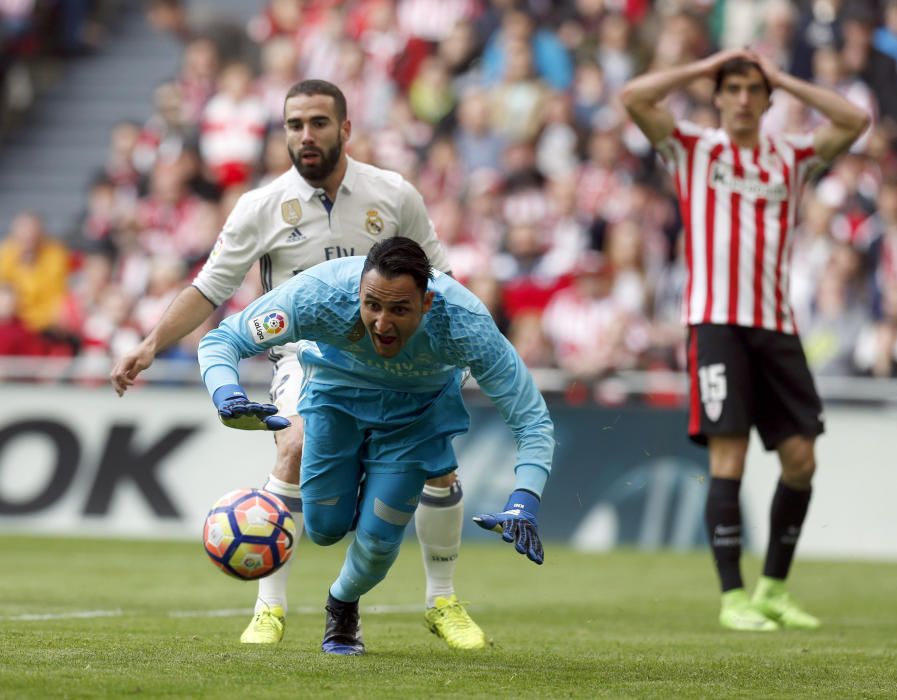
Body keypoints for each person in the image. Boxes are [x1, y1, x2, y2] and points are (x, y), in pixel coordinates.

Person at [110, 79, 484, 650]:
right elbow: (210, 288)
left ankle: (441, 600)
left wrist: (461, 351)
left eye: (318, 123)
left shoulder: (394, 194)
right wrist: (151, 343)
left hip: (391, 358)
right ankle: (269, 608)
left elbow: (444, 281)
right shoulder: (260, 207)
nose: (305, 136)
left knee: (439, 465)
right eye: (294, 125)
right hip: (305, 360)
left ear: (345, 129)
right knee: (294, 444)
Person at [197, 237, 554, 655]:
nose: (382, 323)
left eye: (399, 310)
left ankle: (342, 603)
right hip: (335, 400)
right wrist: (227, 396)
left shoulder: (465, 322)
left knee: (381, 540)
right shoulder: (321, 294)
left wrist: (525, 499)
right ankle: (368, 488)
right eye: (372, 306)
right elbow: (222, 340)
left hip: (415, 418)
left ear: (426, 303)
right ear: (358, 294)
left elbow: (532, 420)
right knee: (326, 528)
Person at [621, 49, 869, 631]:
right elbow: (633, 97)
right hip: (717, 326)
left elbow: (856, 121)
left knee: (802, 459)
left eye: (752, 89)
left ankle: (773, 589)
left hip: (778, 325)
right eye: (730, 88)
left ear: (766, 99)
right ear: (718, 94)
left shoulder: (793, 155)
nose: (741, 98)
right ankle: (733, 597)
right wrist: (703, 64)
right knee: (729, 455)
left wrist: (781, 75)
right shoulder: (692, 146)